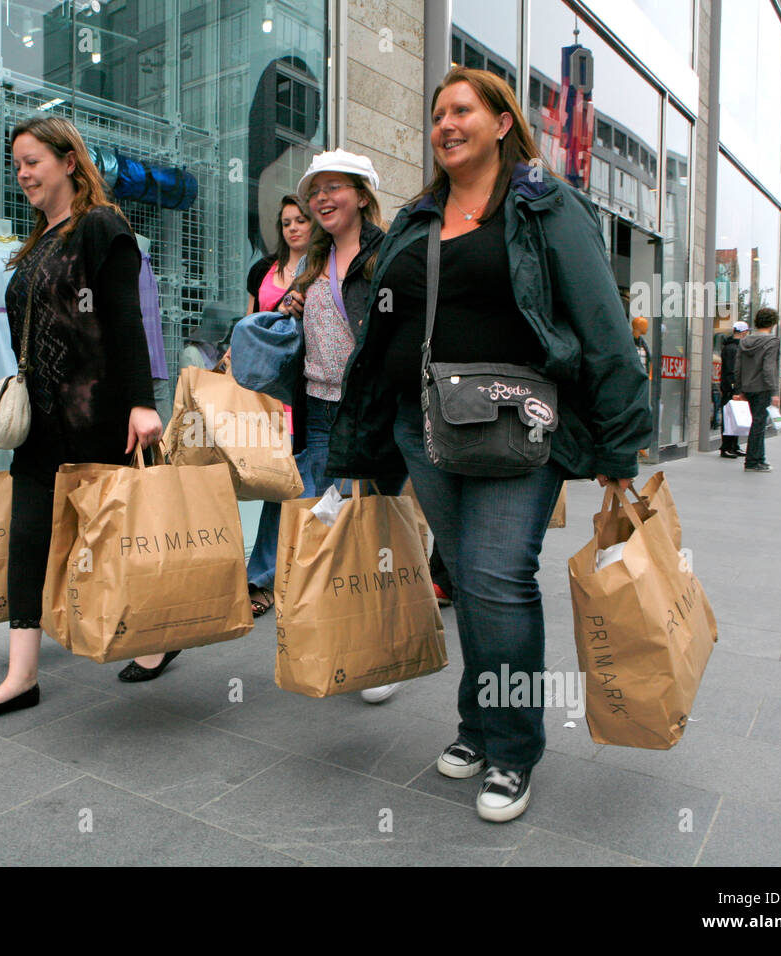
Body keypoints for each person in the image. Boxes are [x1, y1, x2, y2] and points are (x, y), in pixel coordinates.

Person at [326, 67, 652, 822]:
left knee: (499, 577)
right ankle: (477, 725)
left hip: (519, 425)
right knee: (470, 581)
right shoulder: (419, 216)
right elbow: (382, 321)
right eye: (437, 113)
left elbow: (602, 322)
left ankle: (512, 748)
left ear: (503, 123)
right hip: (424, 426)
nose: (445, 124)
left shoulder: (545, 207)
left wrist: (619, 445)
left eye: (463, 110)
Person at [0, 115, 164, 719]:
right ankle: (21, 676)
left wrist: (142, 402)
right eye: (16, 164)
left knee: (117, 538)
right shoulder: (38, 241)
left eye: (33, 161)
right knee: (27, 538)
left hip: (99, 415)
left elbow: (125, 318)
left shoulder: (100, 225)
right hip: (43, 419)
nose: (22, 173)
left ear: (69, 162)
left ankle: (158, 634)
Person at [237, 148, 402, 706]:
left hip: (367, 413)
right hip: (318, 412)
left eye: (335, 187)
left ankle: (382, 650)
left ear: (361, 194)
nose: (322, 198)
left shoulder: (386, 256)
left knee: (369, 531)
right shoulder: (315, 259)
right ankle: (340, 635)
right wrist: (289, 311)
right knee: (320, 527)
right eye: (316, 190)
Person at [246, 195, 311, 313]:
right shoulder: (261, 268)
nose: (292, 228)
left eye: (300, 221)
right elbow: (250, 320)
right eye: (286, 224)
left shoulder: (326, 269)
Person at [735, 307, 781, 472]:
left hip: (747, 386)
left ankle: (759, 458)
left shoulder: (744, 341)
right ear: (773, 323)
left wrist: (739, 389)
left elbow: (738, 367)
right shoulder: (772, 341)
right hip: (762, 387)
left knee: (756, 423)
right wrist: (774, 391)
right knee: (759, 424)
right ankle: (753, 461)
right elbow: (769, 368)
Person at [719, 321, 748, 458]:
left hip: (732, 387)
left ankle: (733, 445)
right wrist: (734, 388)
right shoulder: (733, 348)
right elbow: (731, 370)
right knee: (730, 417)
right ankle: (726, 447)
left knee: (735, 416)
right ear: (743, 332)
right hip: (731, 388)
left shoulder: (734, 347)